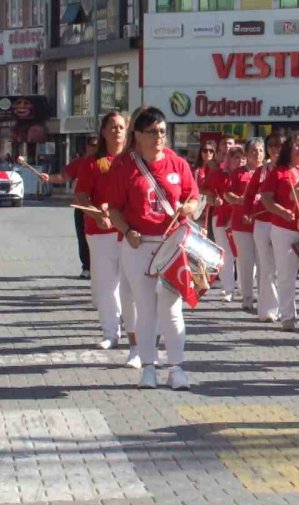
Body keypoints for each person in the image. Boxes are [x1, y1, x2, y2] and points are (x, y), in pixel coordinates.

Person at [106, 106, 200, 390]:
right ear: (137, 134)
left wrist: (189, 207)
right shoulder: (124, 167)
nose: (159, 137)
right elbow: (113, 210)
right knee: (146, 309)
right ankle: (148, 368)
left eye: (162, 131)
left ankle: (176, 368)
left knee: (172, 309)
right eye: (152, 132)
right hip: (138, 246)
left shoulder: (178, 163)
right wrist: (127, 230)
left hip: (171, 246)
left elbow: (193, 198)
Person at [60, 113, 137, 362]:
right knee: (106, 285)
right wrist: (96, 216)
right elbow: (81, 197)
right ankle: (110, 332)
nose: (117, 131)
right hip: (100, 233)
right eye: (112, 127)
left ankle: (134, 333)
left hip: (129, 233)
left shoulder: (134, 161)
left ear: (128, 131)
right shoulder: (93, 163)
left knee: (131, 286)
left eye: (121, 127)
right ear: (103, 132)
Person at [261, 132, 299, 333]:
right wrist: (281, 211)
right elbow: (266, 198)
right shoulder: (279, 171)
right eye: (297, 145)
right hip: (283, 228)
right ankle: (288, 316)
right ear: (290, 148)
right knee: (286, 274)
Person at [242, 133, 284, 322]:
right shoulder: (262, 171)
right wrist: (247, 211)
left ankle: (287, 309)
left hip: (284, 224)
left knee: (283, 269)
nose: (276, 149)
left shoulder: (290, 169)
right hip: (263, 223)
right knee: (266, 268)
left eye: (279, 145)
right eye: (272, 146)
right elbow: (249, 194)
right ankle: (268, 310)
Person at [45, 138, 97, 279]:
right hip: (81, 206)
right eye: (93, 145)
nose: (95, 148)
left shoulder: (106, 161)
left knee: (100, 239)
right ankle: (86, 267)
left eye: (98, 145)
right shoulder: (79, 163)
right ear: (87, 146)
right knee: (83, 237)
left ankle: (100, 267)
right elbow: (63, 177)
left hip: (99, 208)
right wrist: (48, 178)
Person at [203, 146, 242, 301]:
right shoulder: (219, 173)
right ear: (228, 159)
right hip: (221, 217)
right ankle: (228, 288)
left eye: (241, 157)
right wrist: (213, 197)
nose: (239, 161)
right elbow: (202, 188)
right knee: (226, 254)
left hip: (242, 218)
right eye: (235, 157)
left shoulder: (248, 173)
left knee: (243, 254)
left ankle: (243, 286)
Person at [231, 140, 261, 313]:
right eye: (253, 151)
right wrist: (237, 200)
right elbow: (227, 193)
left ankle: (264, 299)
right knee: (246, 262)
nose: (257, 154)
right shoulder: (238, 173)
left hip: (262, 223)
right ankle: (247, 298)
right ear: (247, 154)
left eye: (260, 150)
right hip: (242, 224)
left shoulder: (267, 171)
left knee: (264, 263)